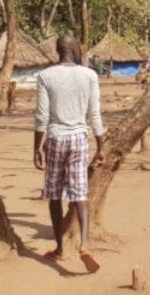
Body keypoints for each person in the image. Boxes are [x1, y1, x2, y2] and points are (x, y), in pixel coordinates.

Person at [33, 35, 105, 272]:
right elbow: (95, 114)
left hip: (55, 139)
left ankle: (60, 249)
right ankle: (84, 244)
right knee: (80, 193)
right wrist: (101, 146)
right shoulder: (89, 75)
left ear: (56, 50)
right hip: (79, 140)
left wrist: (36, 147)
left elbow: (42, 116)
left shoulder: (45, 76)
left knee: (54, 195)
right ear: (75, 50)